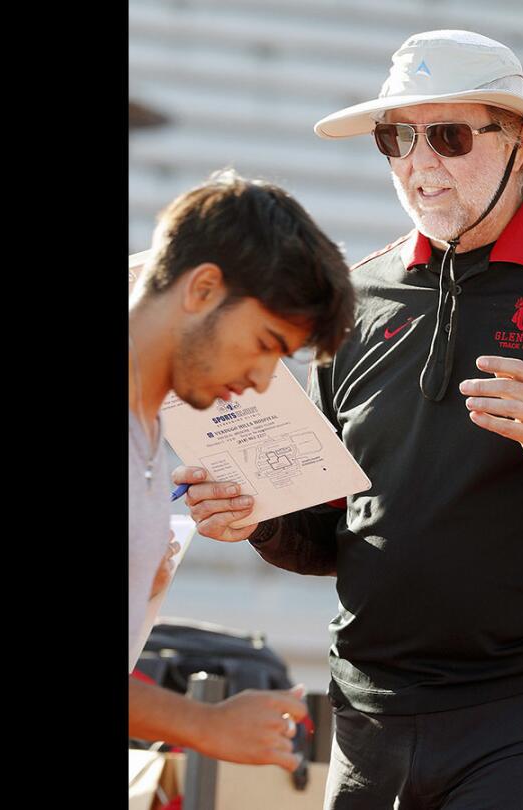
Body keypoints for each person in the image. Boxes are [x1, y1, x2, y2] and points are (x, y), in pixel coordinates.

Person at [176, 30, 523, 806]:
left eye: (448, 135)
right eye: (395, 137)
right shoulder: (354, 297)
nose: (418, 162)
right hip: (372, 712)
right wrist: (260, 518)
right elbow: (333, 534)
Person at [129, 168, 354, 770]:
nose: (262, 380)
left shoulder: (153, 431)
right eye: (265, 342)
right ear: (202, 289)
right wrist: (203, 722)